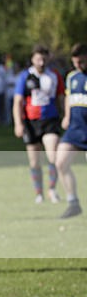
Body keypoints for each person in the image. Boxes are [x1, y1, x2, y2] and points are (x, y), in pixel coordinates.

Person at [12, 44, 64, 204]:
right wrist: (18, 123)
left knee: (53, 156)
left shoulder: (54, 75)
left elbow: (61, 97)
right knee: (34, 161)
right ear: (32, 59)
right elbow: (18, 101)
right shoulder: (24, 76)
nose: (41, 62)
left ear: (48, 58)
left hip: (50, 120)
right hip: (30, 122)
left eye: (43, 58)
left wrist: (66, 115)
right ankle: (39, 192)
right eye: (37, 59)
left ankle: (52, 190)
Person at [54, 43, 87, 218]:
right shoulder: (72, 77)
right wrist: (66, 116)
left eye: (81, 62)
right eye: (75, 62)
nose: (78, 65)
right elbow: (68, 97)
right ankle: (73, 203)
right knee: (60, 163)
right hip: (75, 129)